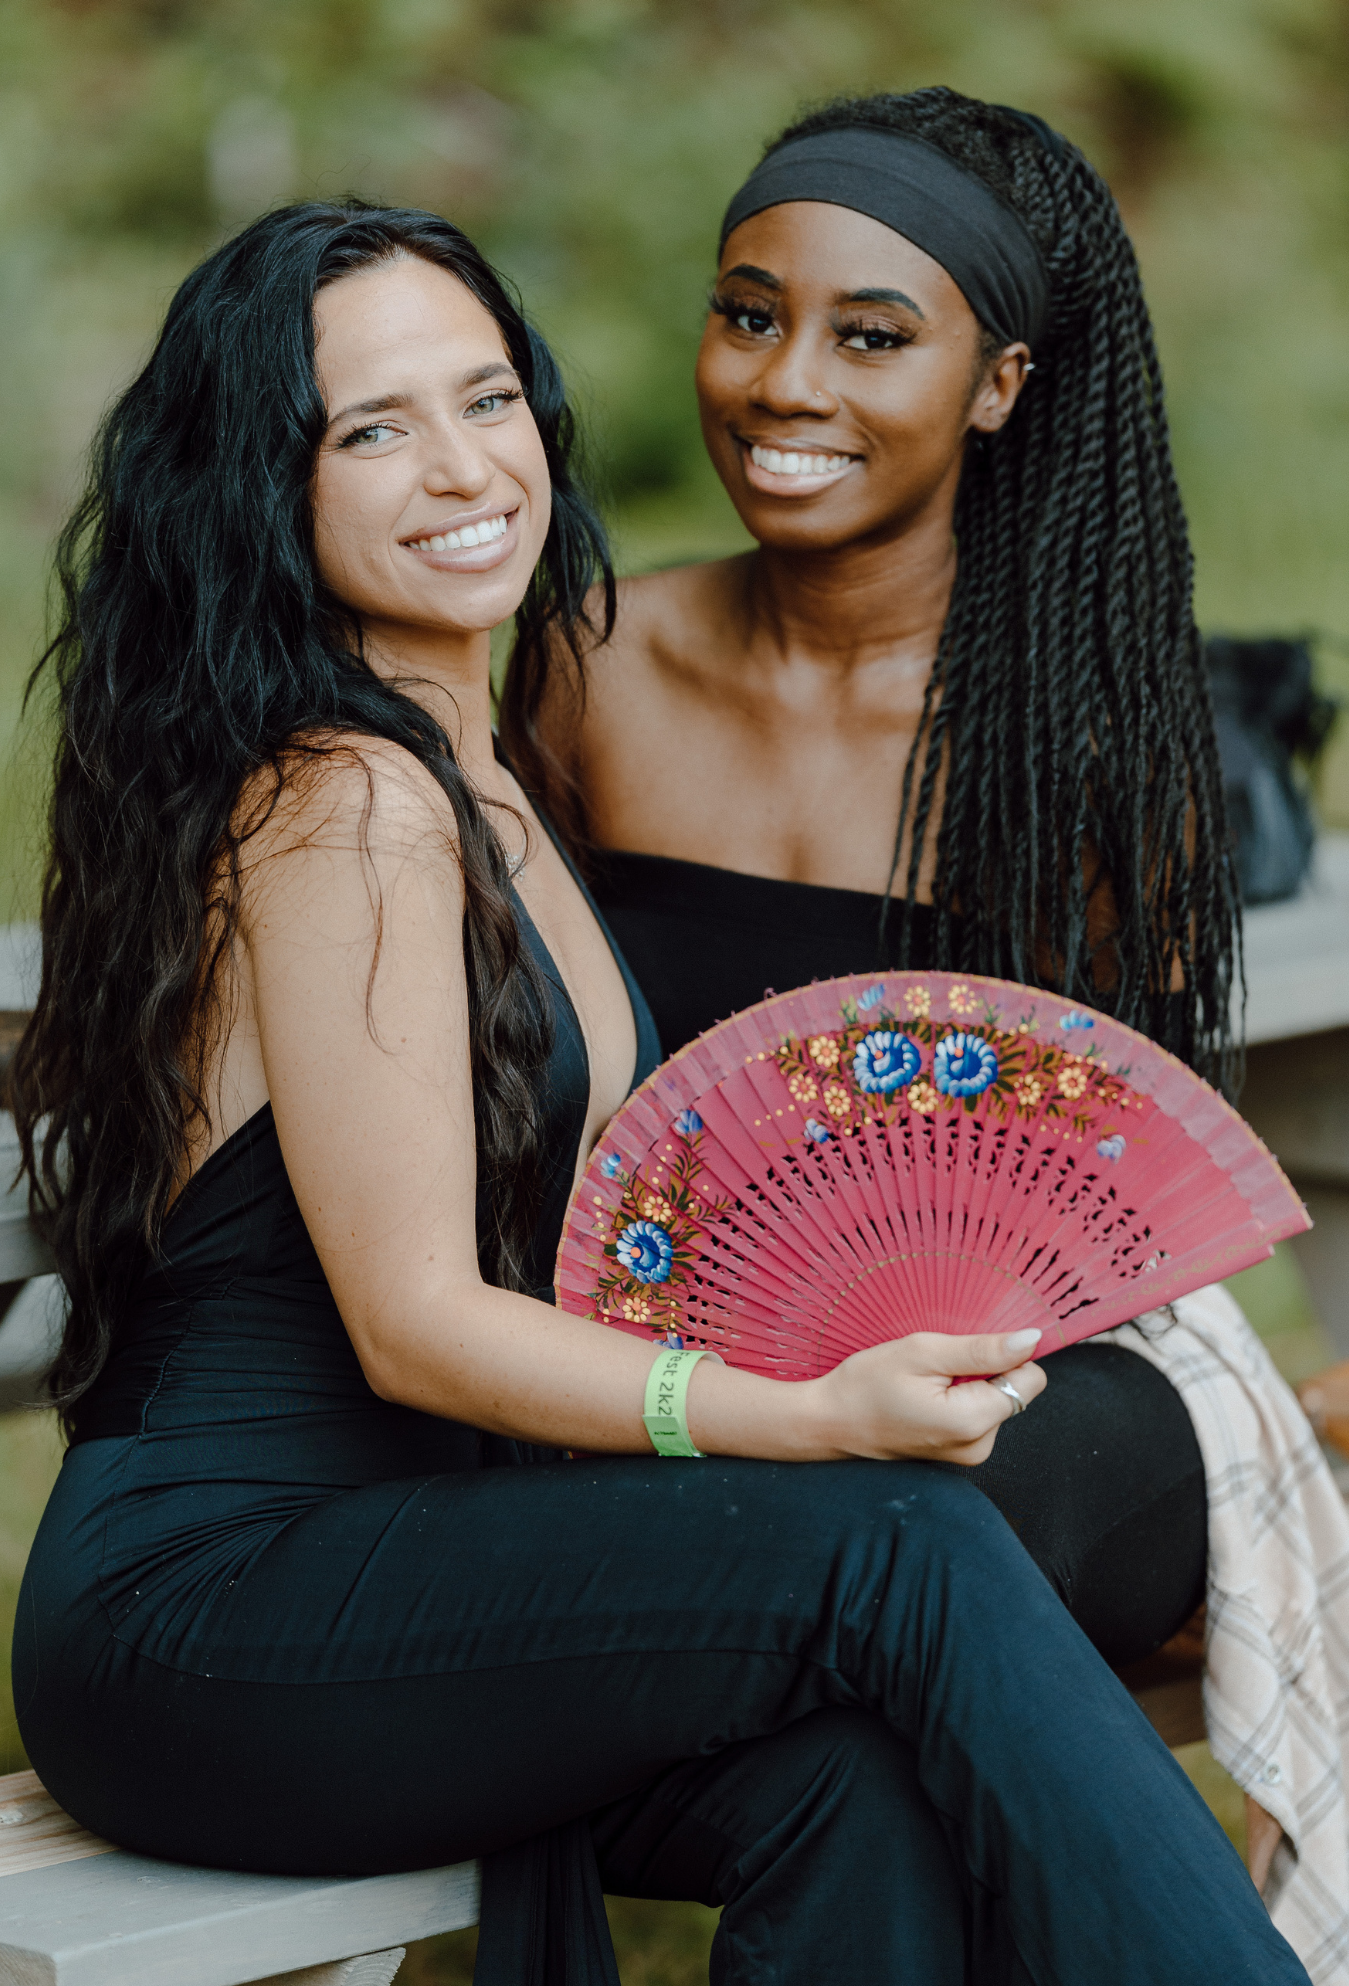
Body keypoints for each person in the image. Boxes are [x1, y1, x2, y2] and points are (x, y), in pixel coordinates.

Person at [11, 199, 1314, 1986]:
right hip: (220, 1610)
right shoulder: (345, 800)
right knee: (897, 1542)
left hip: (434, 1561)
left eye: (489, 399)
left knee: (853, 1781)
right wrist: (811, 1411)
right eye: (371, 428)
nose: (461, 466)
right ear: (266, 486)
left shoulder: (482, 762)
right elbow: (411, 1325)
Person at [509, 89, 1234, 1676]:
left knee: (924, 1536)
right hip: (663, 1385)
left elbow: (1128, 1214)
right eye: (750, 315)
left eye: (872, 337)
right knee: (858, 1586)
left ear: (1000, 386)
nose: (786, 384)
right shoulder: (594, 666)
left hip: (1011, 1405)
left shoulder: (1084, 752)